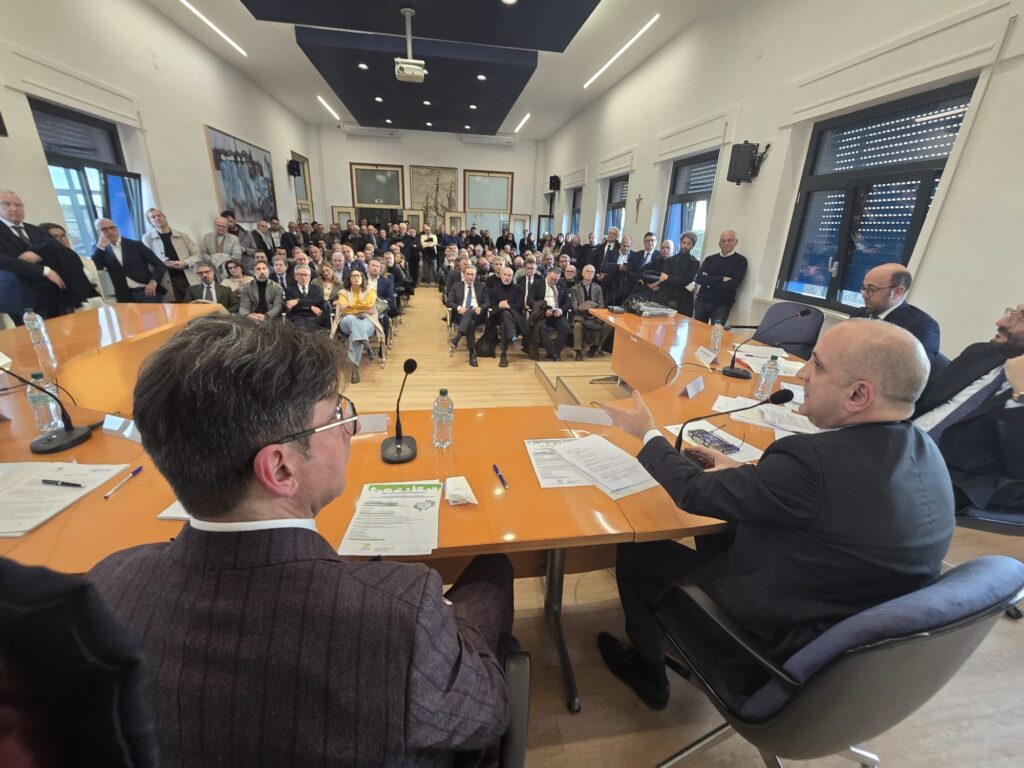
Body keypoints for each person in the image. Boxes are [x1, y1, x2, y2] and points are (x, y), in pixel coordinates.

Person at [85, 316, 514, 765]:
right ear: (280, 468)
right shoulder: (400, 613)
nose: (349, 429)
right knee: (494, 569)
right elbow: (488, 713)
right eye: (336, 417)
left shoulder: (103, 588)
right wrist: (442, 616)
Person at [595, 320, 954, 710]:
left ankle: (649, 673)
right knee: (728, 524)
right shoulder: (926, 451)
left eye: (817, 365)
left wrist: (647, 433)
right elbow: (832, 504)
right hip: (844, 643)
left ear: (858, 394)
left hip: (769, 648)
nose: (801, 374)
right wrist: (745, 475)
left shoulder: (813, 461)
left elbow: (692, 492)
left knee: (639, 552)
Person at [913, 303, 1024, 517]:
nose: (1001, 322)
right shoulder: (979, 353)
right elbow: (923, 403)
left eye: (1020, 318)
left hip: (947, 479)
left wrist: (1020, 394)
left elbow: (1018, 467)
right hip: (900, 442)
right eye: (1012, 313)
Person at [0, 189, 98, 319]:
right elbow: (4, 261)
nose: (14, 209)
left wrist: (38, 253)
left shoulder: (36, 230)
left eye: (18, 205)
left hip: (53, 293)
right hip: (21, 296)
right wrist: (44, 271)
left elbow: (59, 251)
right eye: (6, 204)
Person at [851, 263, 940, 360]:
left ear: (897, 292)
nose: (864, 295)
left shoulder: (923, 326)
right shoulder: (859, 313)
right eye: (863, 288)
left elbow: (914, 369)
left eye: (872, 289)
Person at [91, 218, 166, 303]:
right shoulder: (100, 249)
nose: (110, 231)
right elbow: (97, 267)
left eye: (112, 227)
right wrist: (101, 246)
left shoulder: (135, 245)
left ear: (117, 228)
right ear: (98, 232)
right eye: (104, 229)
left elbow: (160, 265)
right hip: (124, 296)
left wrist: (153, 281)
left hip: (146, 291)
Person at [332, 269, 381, 383]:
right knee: (352, 320)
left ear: (362, 278)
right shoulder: (343, 293)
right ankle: (368, 347)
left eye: (358, 275)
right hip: (346, 321)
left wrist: (351, 305)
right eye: (353, 276)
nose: (356, 278)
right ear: (349, 279)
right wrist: (360, 307)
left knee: (355, 337)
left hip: (367, 321)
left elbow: (370, 307)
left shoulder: (370, 291)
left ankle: (355, 370)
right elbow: (343, 308)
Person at [142, 208, 201, 302]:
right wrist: (161, 263)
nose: (157, 218)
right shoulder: (147, 238)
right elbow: (146, 262)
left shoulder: (183, 236)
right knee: (176, 308)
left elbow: (198, 255)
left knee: (197, 305)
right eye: (153, 217)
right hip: (166, 281)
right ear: (150, 222)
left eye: (159, 215)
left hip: (187, 278)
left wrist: (185, 263)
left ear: (164, 217)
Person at [693, 230, 747, 324]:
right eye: (723, 241)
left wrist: (709, 283)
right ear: (719, 244)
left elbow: (732, 285)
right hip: (702, 301)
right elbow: (699, 279)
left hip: (722, 304)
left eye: (729, 240)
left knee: (716, 331)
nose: (726, 243)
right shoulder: (709, 259)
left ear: (736, 242)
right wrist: (721, 279)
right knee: (697, 329)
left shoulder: (741, 261)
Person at [448, 265, 489, 368]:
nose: (470, 277)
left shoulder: (482, 286)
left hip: (477, 314)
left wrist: (480, 307)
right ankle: (472, 353)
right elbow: (449, 302)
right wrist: (459, 307)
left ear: (476, 275)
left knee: (471, 313)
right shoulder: (456, 286)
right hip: (461, 315)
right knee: (470, 322)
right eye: (468, 274)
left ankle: (457, 338)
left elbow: (487, 302)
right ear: (464, 274)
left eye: (472, 274)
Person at [487, 266, 526, 368]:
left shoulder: (519, 289)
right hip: (498, 317)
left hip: (515, 317)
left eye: (509, 275)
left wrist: (507, 306)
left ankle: (503, 354)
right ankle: (513, 337)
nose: (507, 277)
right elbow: (491, 306)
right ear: (501, 275)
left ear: (512, 277)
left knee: (505, 323)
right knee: (504, 313)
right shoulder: (494, 290)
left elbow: (520, 306)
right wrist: (500, 306)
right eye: (505, 275)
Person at [571, 264, 612, 360]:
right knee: (578, 325)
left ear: (594, 275)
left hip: (595, 315)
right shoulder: (575, 288)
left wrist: (594, 314)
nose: (589, 273)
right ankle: (578, 351)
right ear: (582, 273)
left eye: (592, 272)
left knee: (609, 325)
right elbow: (574, 306)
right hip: (581, 315)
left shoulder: (598, 288)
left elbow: (601, 304)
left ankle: (595, 346)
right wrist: (586, 311)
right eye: (587, 271)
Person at [529, 268, 571, 361]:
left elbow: (568, 303)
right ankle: (553, 353)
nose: (554, 281)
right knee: (542, 328)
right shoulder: (537, 284)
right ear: (547, 274)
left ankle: (554, 352)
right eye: (552, 278)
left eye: (556, 279)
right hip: (542, 313)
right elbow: (530, 300)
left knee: (566, 328)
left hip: (557, 313)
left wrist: (561, 310)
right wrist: (543, 309)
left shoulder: (562, 285)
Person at [661, 233, 701, 316]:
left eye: (688, 243)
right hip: (668, 297)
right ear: (680, 243)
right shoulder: (669, 260)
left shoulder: (695, 262)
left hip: (684, 300)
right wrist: (678, 280)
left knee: (681, 323)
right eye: (683, 242)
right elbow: (664, 280)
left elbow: (686, 281)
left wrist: (668, 277)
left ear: (693, 245)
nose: (685, 246)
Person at [284, 265, 328, 330]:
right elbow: (291, 306)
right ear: (295, 277)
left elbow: (318, 301)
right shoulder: (289, 290)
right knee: (299, 323)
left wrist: (298, 301)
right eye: (300, 275)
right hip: (297, 317)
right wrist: (311, 307)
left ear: (310, 277)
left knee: (312, 323)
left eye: (306, 275)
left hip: (314, 316)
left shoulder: (317, 289)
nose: (303, 277)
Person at [600, 234, 634, 306]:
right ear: (621, 244)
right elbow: (605, 266)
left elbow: (635, 271)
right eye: (624, 246)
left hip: (626, 289)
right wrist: (618, 267)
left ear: (631, 246)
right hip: (611, 287)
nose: (626, 248)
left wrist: (627, 269)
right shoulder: (611, 253)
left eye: (628, 246)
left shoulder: (634, 256)